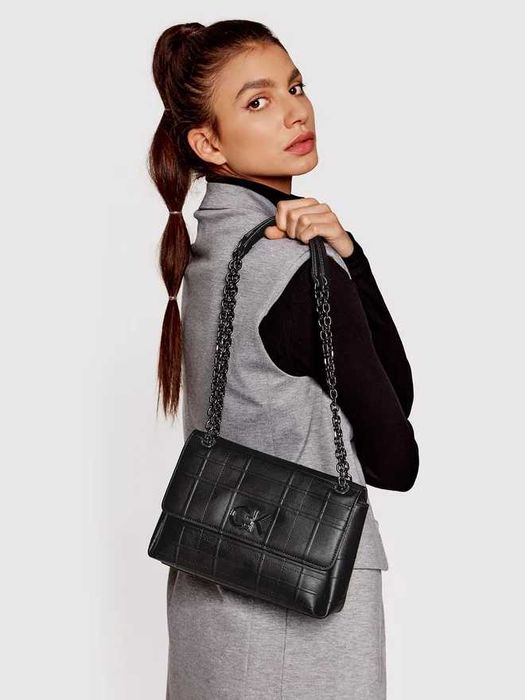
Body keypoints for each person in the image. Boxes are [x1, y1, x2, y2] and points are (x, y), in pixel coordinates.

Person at [148, 19, 419, 700]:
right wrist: (345, 264)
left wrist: (345, 255)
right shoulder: (294, 266)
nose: (295, 111)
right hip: (306, 605)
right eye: (258, 101)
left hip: (209, 601)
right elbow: (396, 457)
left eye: (294, 86)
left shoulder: (206, 258)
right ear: (208, 143)